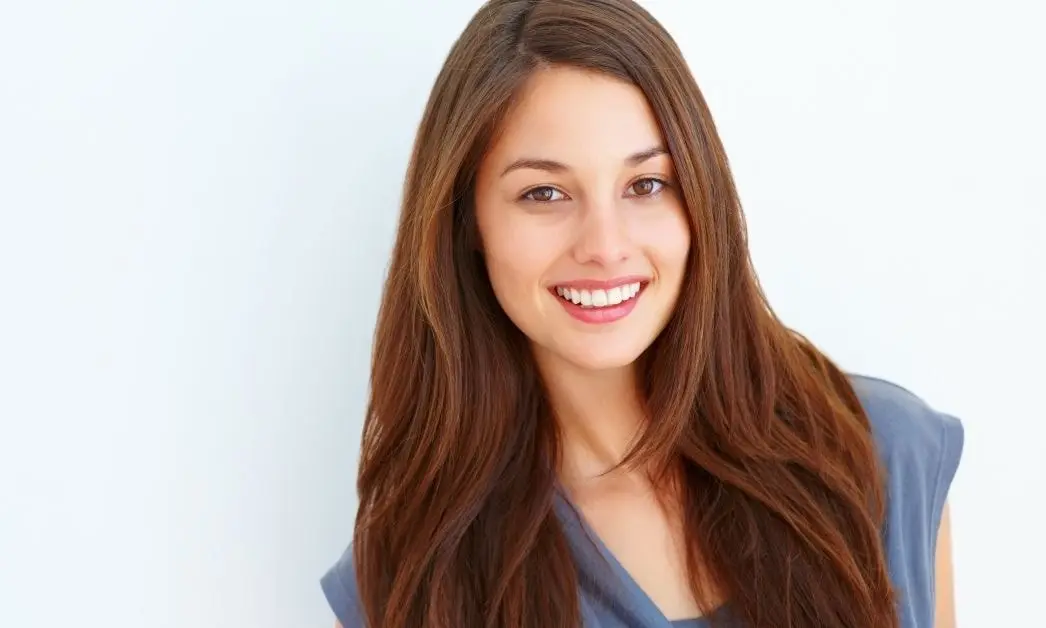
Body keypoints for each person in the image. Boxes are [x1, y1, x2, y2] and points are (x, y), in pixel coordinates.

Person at [320, 0, 964, 626]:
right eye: (544, 193)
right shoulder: (415, 572)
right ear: (468, 223)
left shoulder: (883, 455)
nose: (605, 246)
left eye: (646, 185)